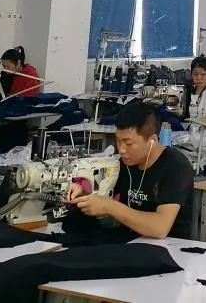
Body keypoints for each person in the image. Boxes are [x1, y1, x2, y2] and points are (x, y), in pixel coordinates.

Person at [67, 100, 194, 239]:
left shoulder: (175, 167)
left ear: (152, 140)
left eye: (128, 143)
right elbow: (101, 201)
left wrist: (110, 207)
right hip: (127, 242)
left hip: (168, 247)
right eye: (118, 140)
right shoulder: (123, 164)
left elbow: (160, 228)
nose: (121, 149)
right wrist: (80, 195)